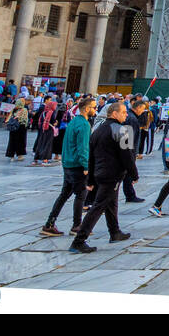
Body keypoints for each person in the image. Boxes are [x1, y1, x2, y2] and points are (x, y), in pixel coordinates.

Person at [70, 100, 139, 254]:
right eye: (123, 112)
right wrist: (134, 174)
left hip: (101, 173)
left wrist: (92, 178)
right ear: (114, 113)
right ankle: (79, 240)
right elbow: (127, 156)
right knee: (98, 206)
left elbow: (91, 156)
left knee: (111, 204)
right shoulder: (121, 130)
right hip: (112, 175)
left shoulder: (98, 129)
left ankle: (115, 232)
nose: (126, 115)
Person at [41, 95, 96, 237]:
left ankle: (49, 223)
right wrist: (86, 166)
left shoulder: (73, 121)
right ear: (87, 108)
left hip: (68, 163)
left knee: (64, 194)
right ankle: (77, 225)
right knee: (80, 195)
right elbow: (83, 147)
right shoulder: (84, 124)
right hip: (77, 165)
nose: (95, 110)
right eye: (94, 108)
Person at [33, 95, 58, 165]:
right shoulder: (51, 113)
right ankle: (45, 160)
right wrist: (56, 122)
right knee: (47, 144)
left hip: (42, 129)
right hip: (49, 130)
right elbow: (53, 122)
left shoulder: (44, 112)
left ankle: (36, 159)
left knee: (40, 143)